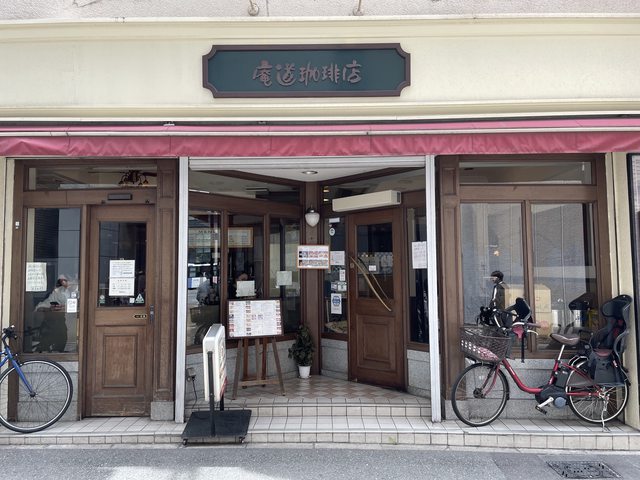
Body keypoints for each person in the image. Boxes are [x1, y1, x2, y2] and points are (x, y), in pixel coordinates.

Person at [34, 274, 71, 352]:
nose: (62, 283)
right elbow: (40, 306)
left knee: (61, 341)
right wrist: (48, 309)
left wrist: (66, 307)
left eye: (65, 280)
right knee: (47, 343)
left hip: (64, 323)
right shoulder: (55, 293)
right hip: (52, 324)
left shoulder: (74, 291)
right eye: (60, 281)